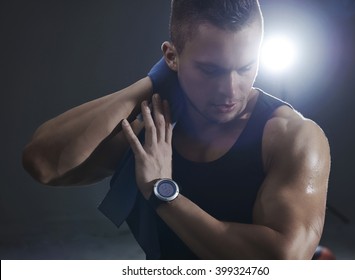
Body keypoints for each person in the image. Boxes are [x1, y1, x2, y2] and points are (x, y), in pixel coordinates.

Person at [22, 0, 331, 259]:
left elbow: (280, 262)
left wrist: (162, 192)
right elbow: (43, 164)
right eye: (211, 70)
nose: (230, 90)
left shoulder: (292, 137)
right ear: (171, 56)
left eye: (246, 67)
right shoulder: (151, 122)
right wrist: (152, 83)